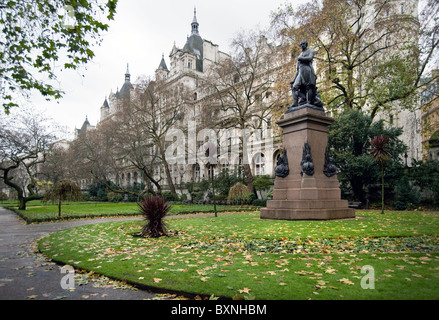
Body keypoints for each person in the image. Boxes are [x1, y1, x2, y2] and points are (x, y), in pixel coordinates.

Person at [289, 40, 323, 109]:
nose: (302, 45)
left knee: (308, 86)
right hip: (300, 72)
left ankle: (309, 102)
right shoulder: (300, 55)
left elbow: (310, 58)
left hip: (307, 70)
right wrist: (293, 80)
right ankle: (296, 103)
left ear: (306, 44)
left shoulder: (311, 51)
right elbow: (297, 69)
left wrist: (300, 58)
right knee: (295, 87)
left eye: (303, 44)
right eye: (301, 44)